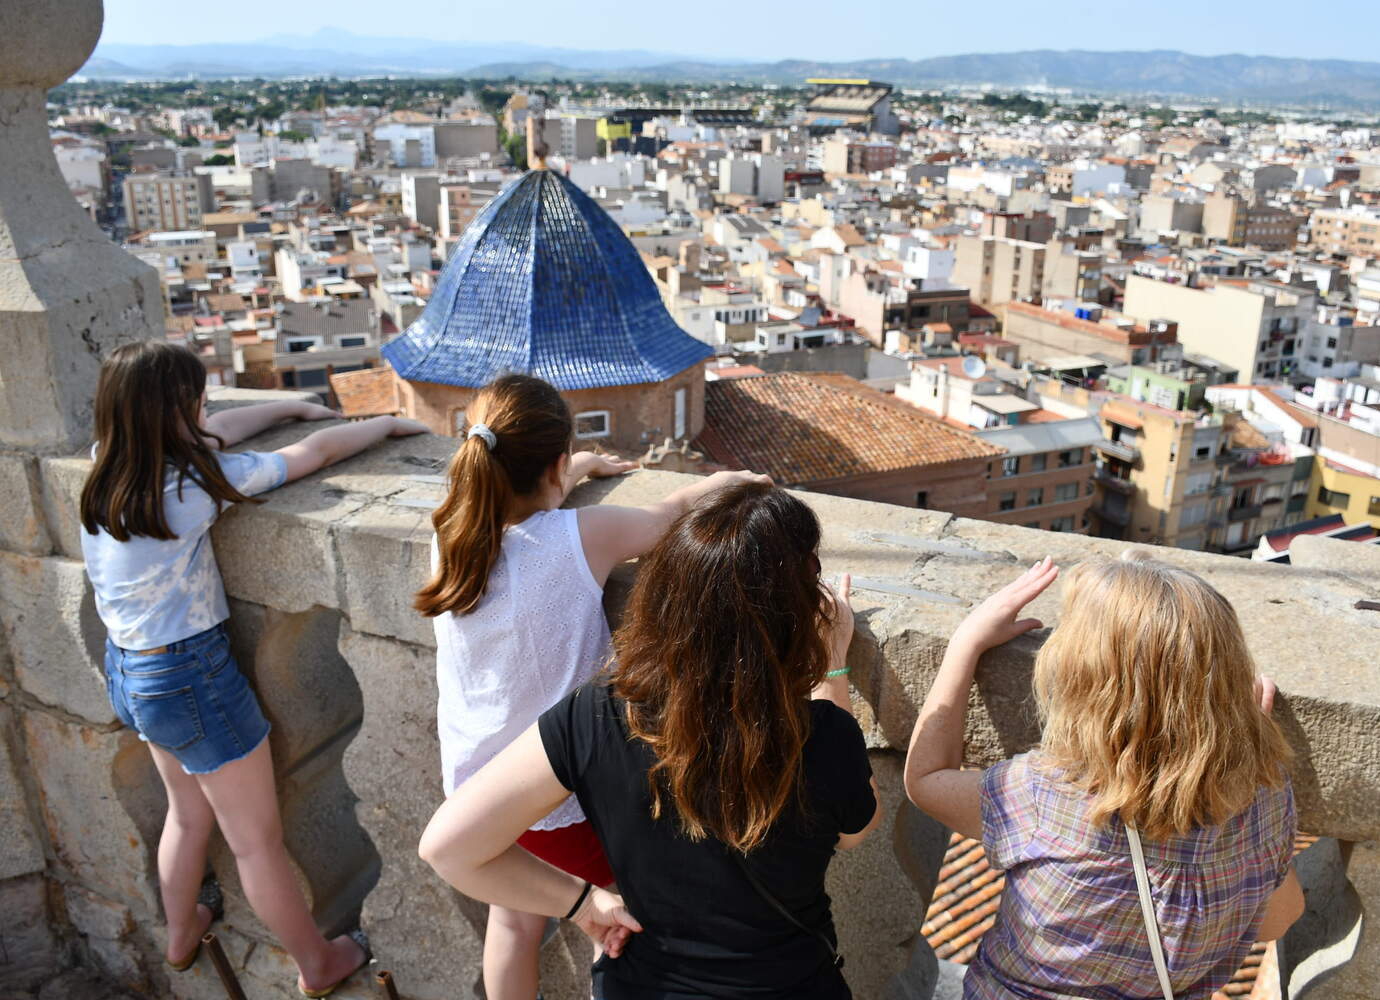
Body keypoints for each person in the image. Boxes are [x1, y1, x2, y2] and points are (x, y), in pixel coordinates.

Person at [419, 480, 882, 1000]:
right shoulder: (821, 734)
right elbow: (852, 833)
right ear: (796, 608)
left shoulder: (597, 713)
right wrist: (833, 668)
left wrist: (581, 905)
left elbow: (447, 849)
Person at [80, 341, 428, 997]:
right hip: (190, 681)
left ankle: (180, 936)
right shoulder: (185, 492)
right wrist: (380, 426)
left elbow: (213, 434)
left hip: (132, 670)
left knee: (187, 817)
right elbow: (311, 458)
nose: (206, 412)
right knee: (256, 843)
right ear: (175, 414)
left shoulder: (109, 470)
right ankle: (318, 963)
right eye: (196, 402)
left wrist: (288, 405)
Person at [413, 372, 771, 1000]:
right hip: (564, 798)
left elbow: (520, 503)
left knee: (515, 920)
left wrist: (570, 469)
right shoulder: (583, 536)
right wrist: (717, 484)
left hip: (482, 791)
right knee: (616, 923)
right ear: (549, 466)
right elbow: (665, 519)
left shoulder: (448, 533)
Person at [905, 551, 1305, 1000]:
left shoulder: (1039, 795)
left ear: (1082, 677)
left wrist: (965, 643)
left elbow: (926, 780)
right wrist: (1245, 742)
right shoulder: (1263, 798)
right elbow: (1277, 919)